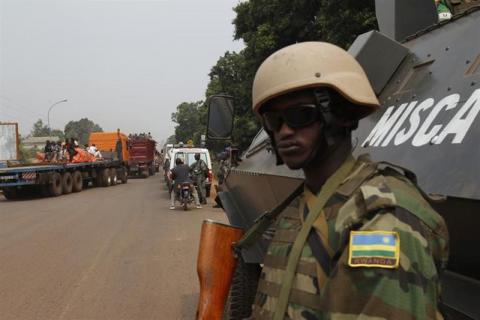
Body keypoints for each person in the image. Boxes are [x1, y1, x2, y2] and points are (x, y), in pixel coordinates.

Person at [244, 42, 448, 319]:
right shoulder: (303, 204)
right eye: (274, 120)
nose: (285, 131)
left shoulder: (382, 217)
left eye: (300, 115)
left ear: (339, 115)